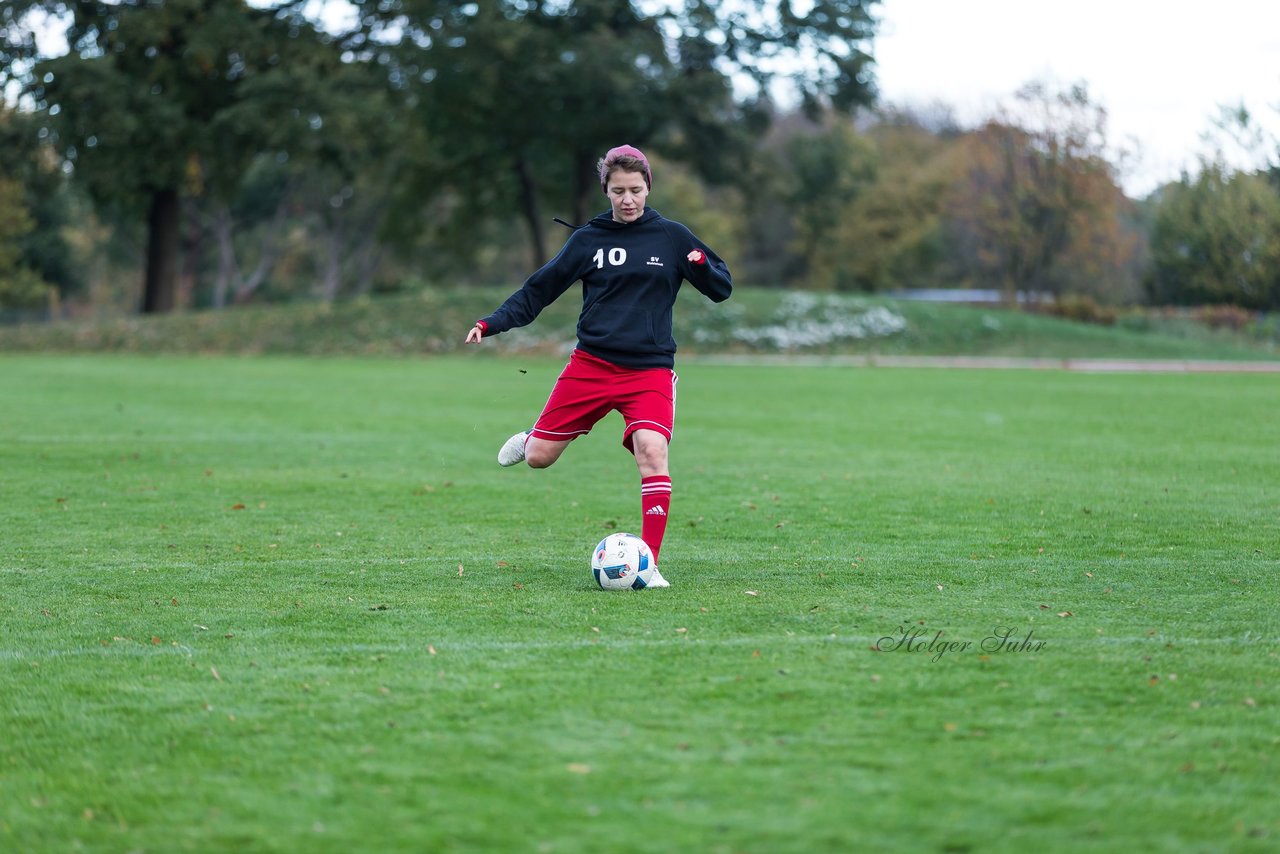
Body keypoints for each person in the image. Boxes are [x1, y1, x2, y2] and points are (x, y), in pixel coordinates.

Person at [464, 144, 732, 585]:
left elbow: (721, 288)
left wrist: (700, 264)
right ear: (606, 190)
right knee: (539, 459)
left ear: (648, 188)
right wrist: (491, 323)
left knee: (652, 451)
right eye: (618, 191)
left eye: (636, 190)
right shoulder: (588, 239)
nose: (628, 200)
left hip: (649, 371)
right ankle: (532, 437)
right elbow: (538, 291)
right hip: (591, 366)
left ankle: (649, 564)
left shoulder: (673, 236)